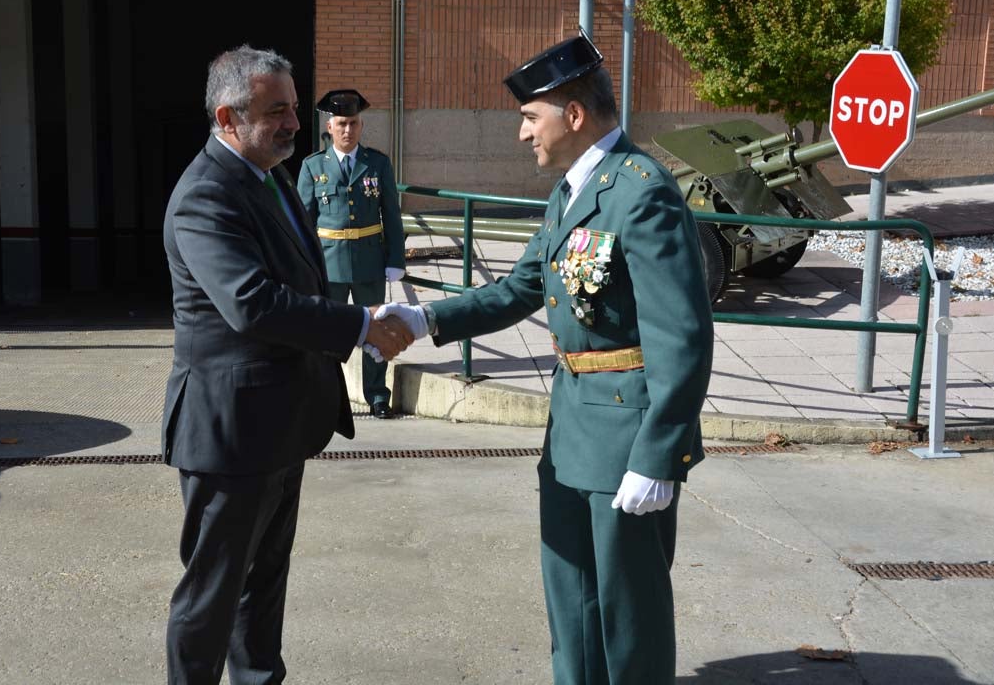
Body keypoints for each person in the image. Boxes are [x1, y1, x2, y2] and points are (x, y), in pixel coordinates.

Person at [378, 35, 714, 684]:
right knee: (572, 600)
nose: (522, 132)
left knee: (628, 612)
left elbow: (683, 338)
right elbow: (520, 288)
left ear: (575, 114)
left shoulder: (641, 193)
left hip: (626, 436)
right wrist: (423, 320)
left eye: (531, 116)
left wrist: (658, 456)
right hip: (570, 431)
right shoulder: (572, 192)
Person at [161, 45, 410, 685]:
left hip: (278, 423)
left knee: (264, 581)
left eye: (294, 108)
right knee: (213, 593)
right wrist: (359, 325)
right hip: (231, 432)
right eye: (277, 112)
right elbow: (251, 303)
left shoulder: (267, 177)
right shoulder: (206, 195)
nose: (296, 123)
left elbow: (302, 278)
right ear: (227, 117)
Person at [297, 90, 407, 418]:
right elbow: (303, 223)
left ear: (361, 125)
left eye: (354, 123)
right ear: (330, 127)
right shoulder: (313, 166)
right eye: (342, 124)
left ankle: (377, 395)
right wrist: (305, 265)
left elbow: (391, 214)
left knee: (378, 329)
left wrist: (395, 260)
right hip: (328, 264)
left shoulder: (377, 163)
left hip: (369, 262)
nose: (348, 130)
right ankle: (325, 394)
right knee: (327, 333)